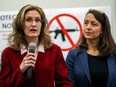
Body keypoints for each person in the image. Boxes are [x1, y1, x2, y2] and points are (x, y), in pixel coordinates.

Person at [0, 4, 73, 87]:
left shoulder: (54, 50)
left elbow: (64, 83)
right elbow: (3, 84)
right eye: (28, 20)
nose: (34, 24)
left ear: (42, 24)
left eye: (38, 20)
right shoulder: (8, 53)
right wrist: (20, 70)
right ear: (20, 24)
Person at [66, 9, 116, 87]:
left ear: (102, 30)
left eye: (94, 24)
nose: (88, 27)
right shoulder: (73, 55)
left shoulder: (113, 54)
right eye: (86, 23)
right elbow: (69, 83)